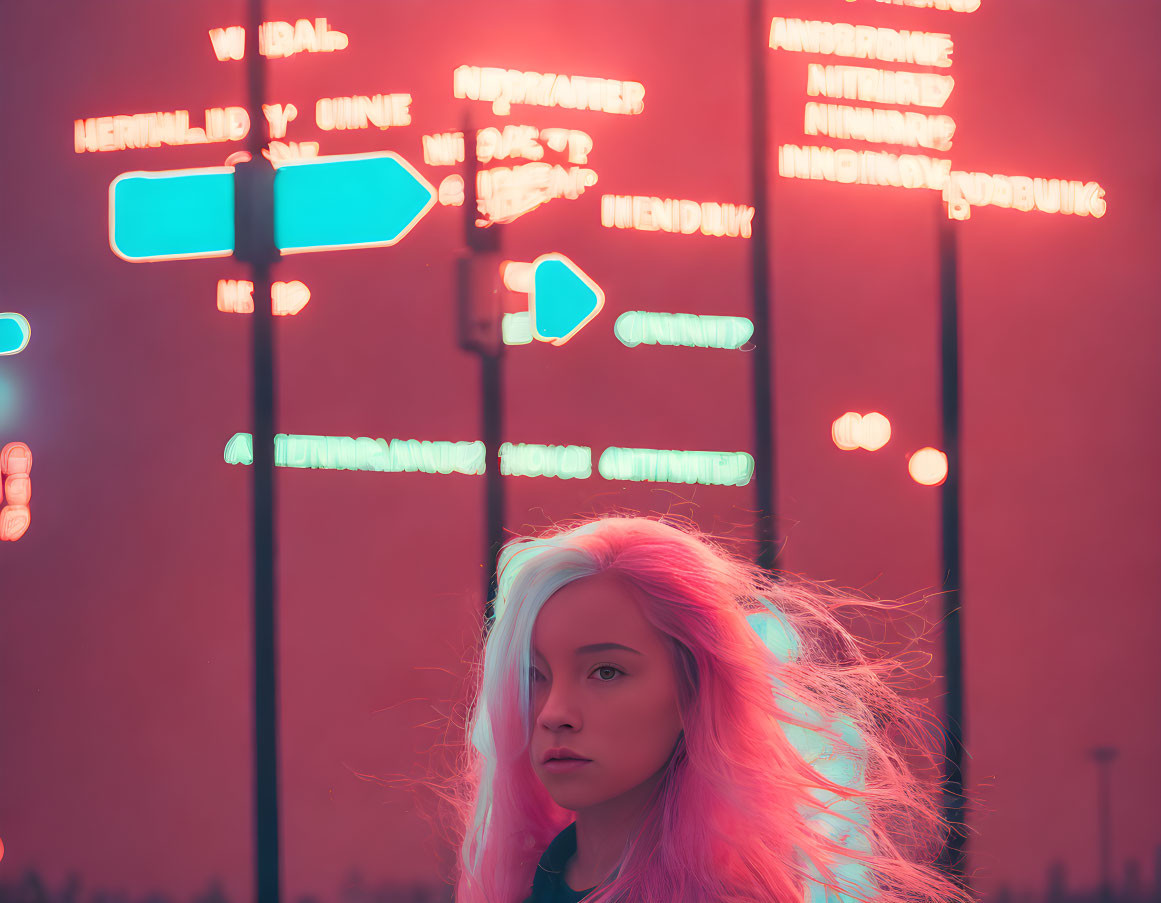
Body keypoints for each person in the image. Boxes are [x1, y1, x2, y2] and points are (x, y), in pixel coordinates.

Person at [424, 515, 978, 903]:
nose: (554, 712)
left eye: (606, 672)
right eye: (533, 675)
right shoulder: (522, 883)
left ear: (695, 690)